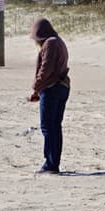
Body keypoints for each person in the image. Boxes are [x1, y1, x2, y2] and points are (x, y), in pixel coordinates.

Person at [28, 18, 70, 174]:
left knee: (48, 127)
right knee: (55, 126)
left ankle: (51, 164)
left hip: (52, 88)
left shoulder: (50, 43)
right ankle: (53, 162)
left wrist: (36, 88)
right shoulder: (57, 41)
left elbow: (46, 69)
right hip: (62, 87)